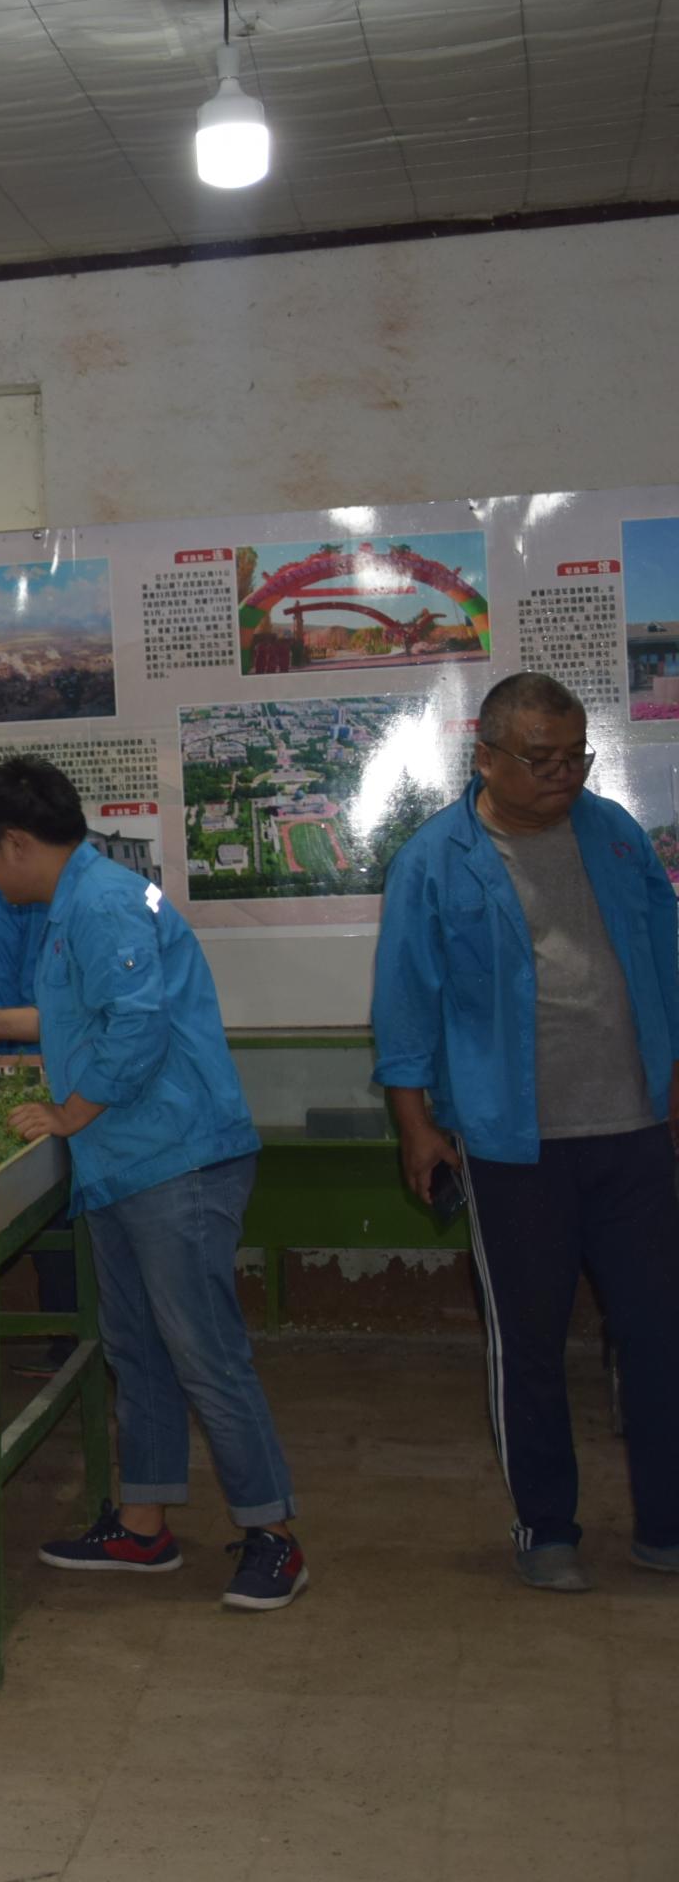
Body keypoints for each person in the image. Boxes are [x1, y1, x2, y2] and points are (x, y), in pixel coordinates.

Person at [0, 756, 306, 1611]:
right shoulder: (83, 899)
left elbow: (137, 1030)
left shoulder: (101, 903)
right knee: (138, 1346)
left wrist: (67, 1113)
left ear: (16, 843)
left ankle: (275, 1537)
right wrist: (4, 1023)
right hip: (128, 1161)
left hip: (173, 1157)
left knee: (204, 1351)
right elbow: (95, 1010)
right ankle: (143, 1526)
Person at [372, 672, 679, 1591]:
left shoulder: (614, 835)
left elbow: (667, 960)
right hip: (513, 1143)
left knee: (659, 1334)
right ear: (486, 757)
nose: (564, 775)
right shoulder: (435, 860)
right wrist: (416, 1126)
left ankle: (666, 1525)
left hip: (634, 1131)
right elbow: (404, 1003)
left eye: (576, 756)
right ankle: (547, 1528)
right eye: (542, 758)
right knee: (530, 1343)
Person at [0, 859, 79, 1379]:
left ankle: (67, 1336)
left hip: (28, 1067)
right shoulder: (72, 876)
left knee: (46, 1204)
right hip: (51, 1059)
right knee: (61, 1206)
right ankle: (74, 1333)